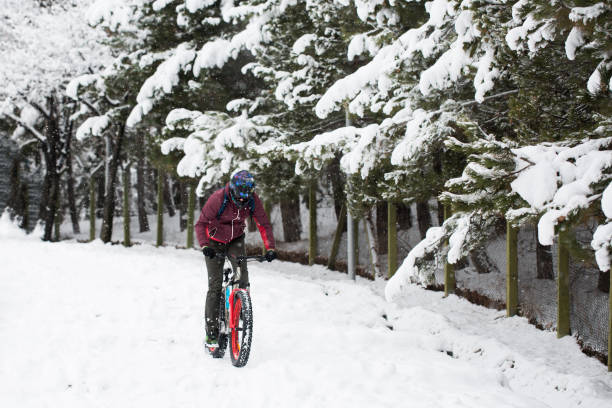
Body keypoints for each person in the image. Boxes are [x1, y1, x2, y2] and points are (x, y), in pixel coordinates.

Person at [195, 170, 276, 348]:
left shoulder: (253, 200)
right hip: (213, 242)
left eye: (245, 197)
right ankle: (212, 332)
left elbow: (263, 224)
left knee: (243, 277)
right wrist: (204, 246)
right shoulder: (218, 198)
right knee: (215, 286)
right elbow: (200, 224)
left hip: (235, 239)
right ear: (232, 189)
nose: (242, 200)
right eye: (239, 196)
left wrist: (270, 247)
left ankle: (241, 310)